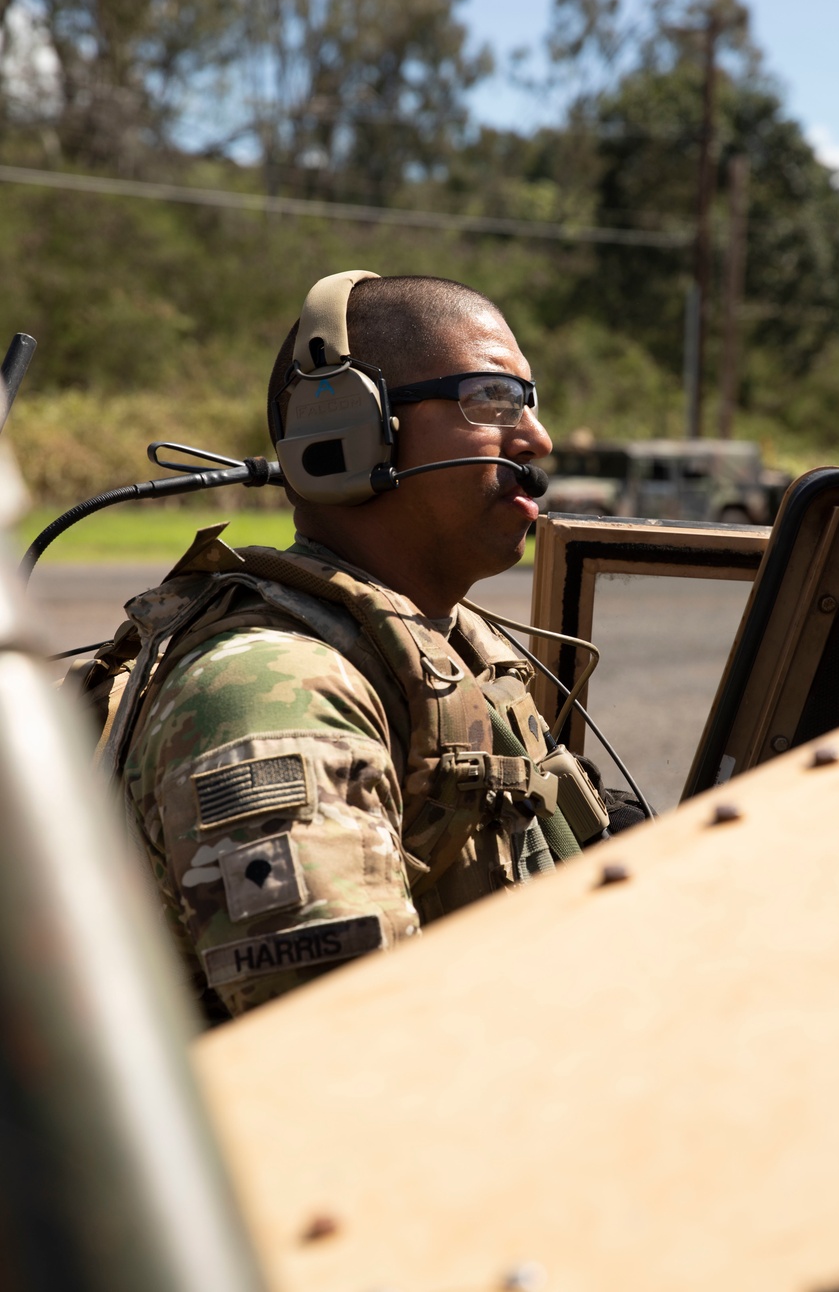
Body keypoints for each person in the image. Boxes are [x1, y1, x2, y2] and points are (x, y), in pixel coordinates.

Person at [107, 271, 643, 1021]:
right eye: (492, 399)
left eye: (530, 402)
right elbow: (344, 1044)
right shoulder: (276, 692)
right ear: (350, 429)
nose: (538, 438)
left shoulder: (454, 648)